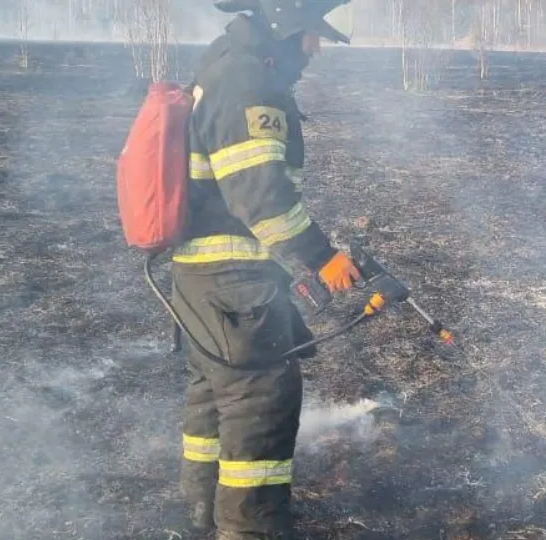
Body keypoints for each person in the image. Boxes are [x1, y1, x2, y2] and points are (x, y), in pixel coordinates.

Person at [170, 1, 356, 539]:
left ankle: (199, 516)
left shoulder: (225, 63)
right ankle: (249, 531)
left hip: (206, 282)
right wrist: (324, 258)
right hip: (232, 287)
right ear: (284, 28)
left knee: (214, 397)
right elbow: (262, 198)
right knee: (259, 406)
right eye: (311, 36)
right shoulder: (246, 80)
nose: (315, 49)